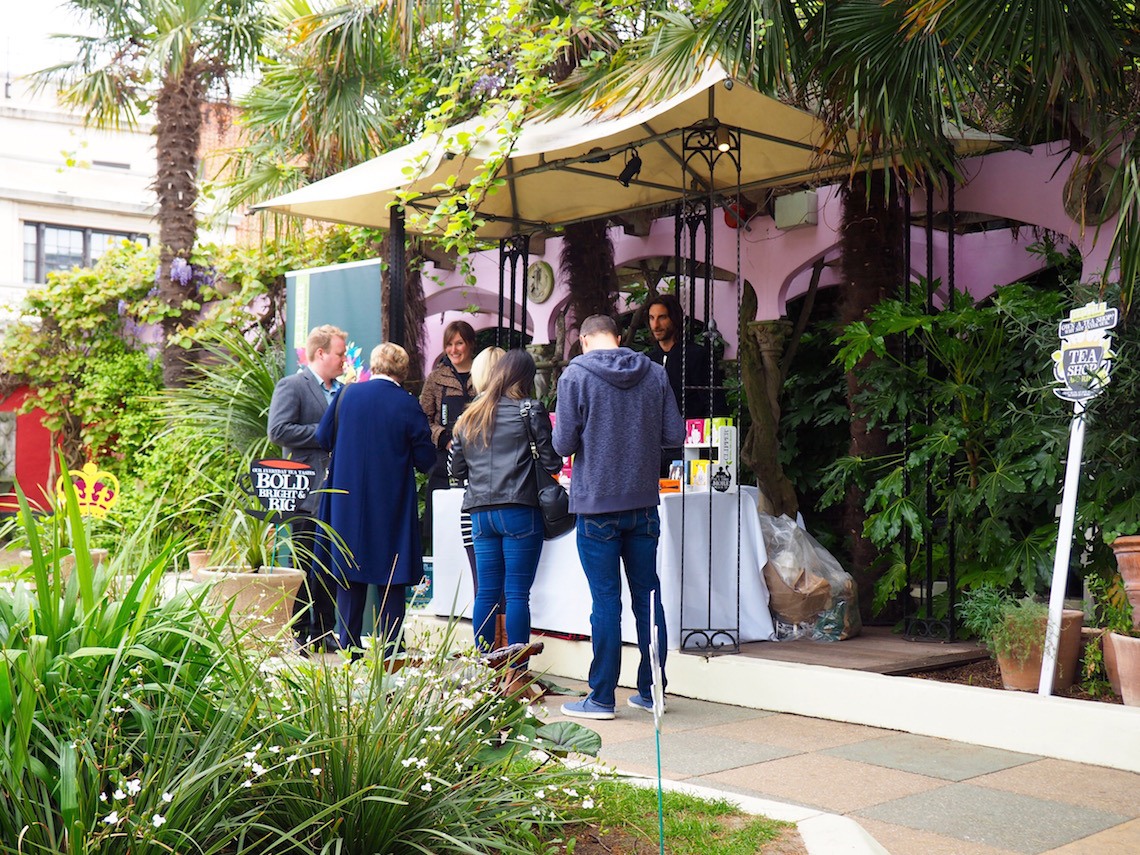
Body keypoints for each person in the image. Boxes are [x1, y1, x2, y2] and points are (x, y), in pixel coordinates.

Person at [553, 315, 685, 720]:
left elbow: (563, 442)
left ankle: (602, 697)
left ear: (583, 341)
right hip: (644, 504)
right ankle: (653, 691)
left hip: (596, 505)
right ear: (619, 337)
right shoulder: (653, 372)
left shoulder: (575, 375)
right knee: (648, 597)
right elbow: (675, 436)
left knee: (606, 601)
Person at [316, 342, 436, 656]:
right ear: (403, 371)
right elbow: (426, 459)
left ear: (374, 366)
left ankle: (348, 649)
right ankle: (389, 652)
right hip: (390, 504)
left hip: (346, 502)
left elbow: (322, 437)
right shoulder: (407, 404)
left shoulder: (346, 395)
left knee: (349, 574)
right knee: (391, 578)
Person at [449, 349, 562, 655]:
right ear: (525, 378)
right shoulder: (530, 409)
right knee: (516, 594)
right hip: (519, 510)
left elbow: (456, 470)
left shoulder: (470, 413)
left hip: (479, 514)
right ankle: (516, 671)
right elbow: (552, 463)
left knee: (486, 591)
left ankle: (483, 668)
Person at [267, 324, 347, 653]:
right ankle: (300, 629)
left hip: (337, 488)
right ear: (320, 353)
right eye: (340, 354)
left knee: (329, 561)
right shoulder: (292, 386)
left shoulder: (343, 390)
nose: (344, 360)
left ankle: (324, 629)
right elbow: (278, 431)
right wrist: (325, 432)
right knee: (302, 561)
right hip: (302, 488)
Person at [419, 320, 477, 545]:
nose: (454, 350)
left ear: (470, 344)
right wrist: (443, 438)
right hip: (445, 463)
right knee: (444, 530)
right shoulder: (436, 378)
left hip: (479, 462)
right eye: (449, 344)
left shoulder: (483, 375)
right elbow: (423, 418)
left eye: (459, 343)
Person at [645, 293, 716, 419]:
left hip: (692, 433)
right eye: (651, 318)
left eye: (662, 317)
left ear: (674, 318)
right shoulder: (647, 360)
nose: (655, 325)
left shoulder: (697, 356)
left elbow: (714, 403)